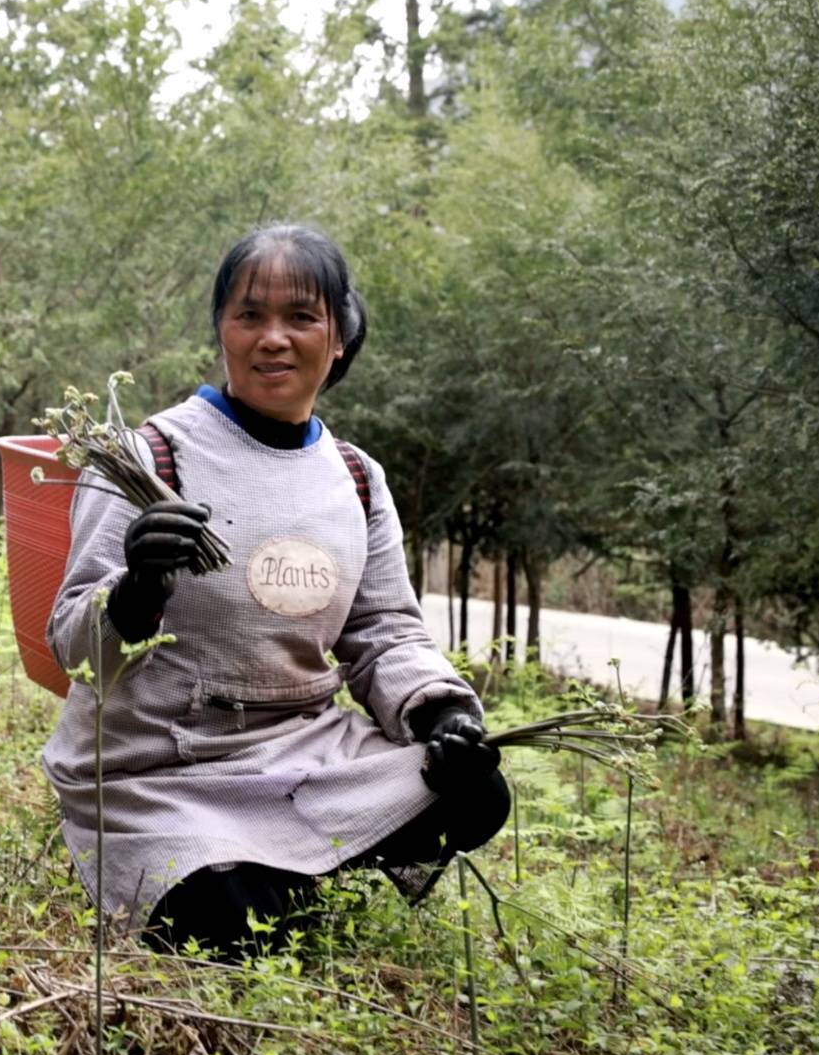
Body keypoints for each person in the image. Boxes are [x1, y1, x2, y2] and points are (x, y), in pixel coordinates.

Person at [43, 224, 507, 960]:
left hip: (303, 753)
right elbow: (71, 641)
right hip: (163, 768)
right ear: (221, 330)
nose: (273, 339)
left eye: (301, 317)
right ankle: (253, 873)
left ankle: (282, 867)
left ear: (341, 337)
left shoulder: (354, 476)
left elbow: (385, 629)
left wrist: (443, 713)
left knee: (476, 792)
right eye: (249, 315)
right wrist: (134, 590)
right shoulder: (145, 456)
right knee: (226, 917)